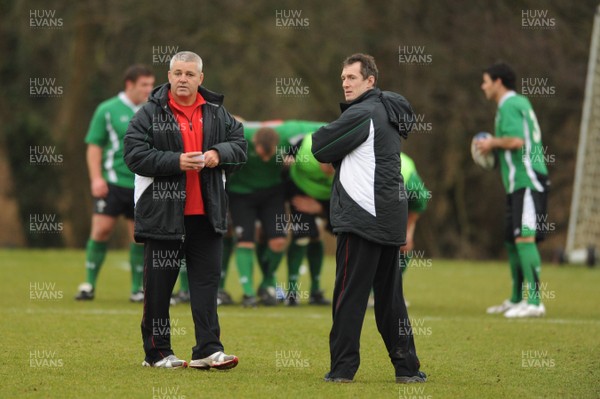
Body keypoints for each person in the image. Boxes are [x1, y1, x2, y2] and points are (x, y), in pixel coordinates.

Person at [124, 51, 246, 369]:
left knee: (206, 286)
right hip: (163, 215)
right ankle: (157, 353)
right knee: (158, 289)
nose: (183, 79)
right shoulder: (149, 112)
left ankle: (208, 349)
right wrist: (175, 161)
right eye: (177, 73)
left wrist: (219, 153)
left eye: (189, 74)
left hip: (207, 215)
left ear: (200, 79)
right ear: (169, 75)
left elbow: (240, 146)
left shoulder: (218, 112)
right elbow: (134, 154)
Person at [311, 53, 426, 383]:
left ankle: (342, 370)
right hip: (389, 219)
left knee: (349, 297)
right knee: (390, 301)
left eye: (352, 78)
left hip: (362, 219)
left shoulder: (363, 112)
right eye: (343, 78)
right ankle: (407, 369)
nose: (345, 83)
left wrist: (338, 150)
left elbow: (320, 145)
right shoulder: (387, 111)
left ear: (370, 81)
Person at [75, 64, 155, 302]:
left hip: (141, 184)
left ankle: (136, 289)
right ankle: (88, 284)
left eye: (152, 85)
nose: (149, 89)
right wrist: (96, 178)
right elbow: (94, 145)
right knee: (101, 230)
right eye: (144, 85)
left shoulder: (154, 110)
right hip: (111, 183)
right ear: (129, 84)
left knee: (139, 237)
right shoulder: (107, 109)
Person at [478, 62, 549, 318]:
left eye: (486, 80)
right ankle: (518, 298)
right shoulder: (511, 105)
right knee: (512, 240)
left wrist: (490, 143)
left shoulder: (509, 104)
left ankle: (535, 302)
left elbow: (516, 141)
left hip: (527, 180)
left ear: (498, 82)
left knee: (524, 237)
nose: (483, 86)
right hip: (516, 183)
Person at [285, 130, 333, 306]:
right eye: (327, 166)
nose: (330, 171)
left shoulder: (349, 166)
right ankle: (291, 292)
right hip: (300, 193)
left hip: (327, 200)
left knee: (319, 234)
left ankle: (315, 291)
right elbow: (286, 170)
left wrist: (321, 208)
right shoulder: (305, 151)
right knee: (303, 236)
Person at [399, 153, 430, 277]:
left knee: (404, 243)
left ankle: (394, 292)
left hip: (402, 205)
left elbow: (420, 202)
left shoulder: (410, 184)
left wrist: (407, 231)